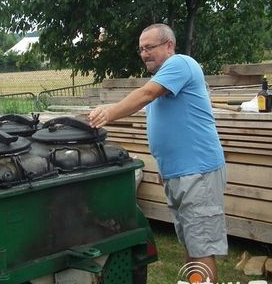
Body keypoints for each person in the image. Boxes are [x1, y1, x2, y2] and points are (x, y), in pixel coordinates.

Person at [87, 23, 227, 282]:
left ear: (169, 46)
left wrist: (110, 113)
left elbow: (146, 94)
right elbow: (166, 127)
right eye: (141, 49)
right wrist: (165, 168)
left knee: (202, 246)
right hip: (178, 173)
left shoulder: (181, 64)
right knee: (190, 242)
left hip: (198, 172)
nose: (144, 53)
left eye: (150, 47)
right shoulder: (163, 80)